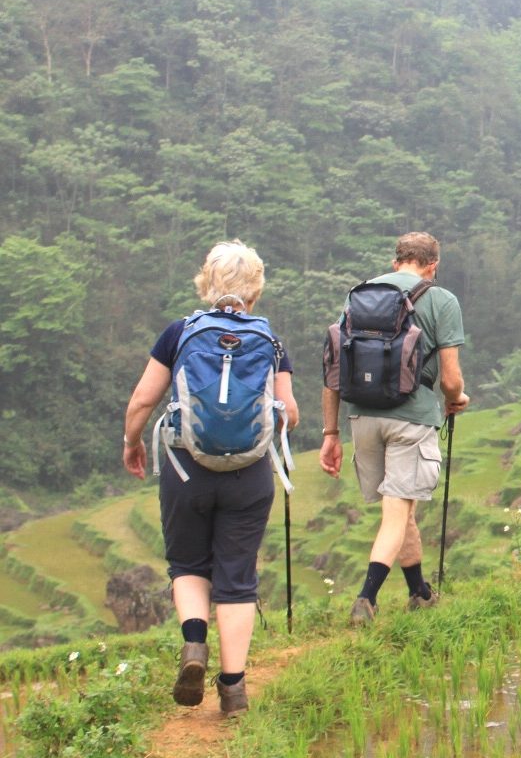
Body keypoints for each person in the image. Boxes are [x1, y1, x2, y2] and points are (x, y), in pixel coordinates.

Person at [122, 241, 298, 717]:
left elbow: (142, 400)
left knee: (188, 564)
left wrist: (132, 442)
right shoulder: (270, 341)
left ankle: (195, 645)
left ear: (207, 283)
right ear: (255, 288)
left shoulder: (179, 334)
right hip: (249, 475)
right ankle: (234, 690)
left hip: (186, 470)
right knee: (237, 578)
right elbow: (290, 415)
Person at [319, 232, 469, 623]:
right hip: (411, 417)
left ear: (395, 261)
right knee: (396, 514)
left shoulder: (359, 296)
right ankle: (365, 599)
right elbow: (451, 378)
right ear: (432, 265)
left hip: (362, 416)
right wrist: (458, 399)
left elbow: (334, 369)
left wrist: (330, 433)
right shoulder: (440, 299)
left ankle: (419, 592)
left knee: (404, 510)